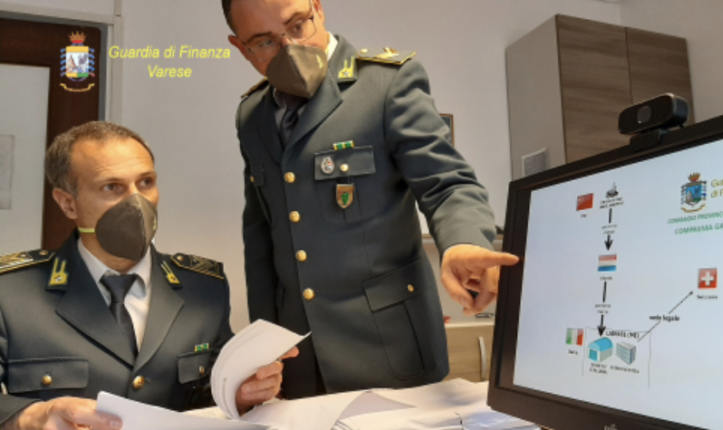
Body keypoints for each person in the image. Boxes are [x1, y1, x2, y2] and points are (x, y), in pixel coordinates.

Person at [222, 0, 519, 398]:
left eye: (297, 26)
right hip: (300, 360)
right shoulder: (252, 115)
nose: (289, 48)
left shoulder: (385, 84)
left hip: (390, 350)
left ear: (317, 8)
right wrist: (263, 345)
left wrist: (463, 241)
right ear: (241, 48)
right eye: (264, 42)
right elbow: (260, 233)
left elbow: (447, 183)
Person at [0, 122, 297, 430]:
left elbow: (207, 399)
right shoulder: (11, 293)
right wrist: (34, 415)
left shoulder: (202, 287)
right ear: (67, 203)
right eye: (112, 187)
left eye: (145, 183)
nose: (136, 201)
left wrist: (241, 393)